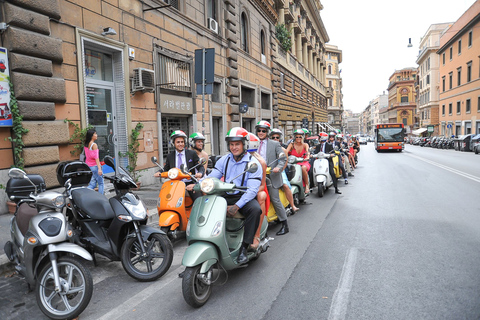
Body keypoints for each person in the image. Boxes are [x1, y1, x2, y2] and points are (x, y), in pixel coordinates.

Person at [207, 127, 263, 264]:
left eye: (237, 144)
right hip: (226, 195)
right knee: (205, 204)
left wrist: (237, 206)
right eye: (231, 144)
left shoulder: (253, 164)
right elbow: (213, 176)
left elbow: (252, 190)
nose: (234, 147)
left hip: (243, 197)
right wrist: (201, 182)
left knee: (255, 210)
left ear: (244, 144)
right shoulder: (224, 160)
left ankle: (244, 247)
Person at [255, 121, 289, 236]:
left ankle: (285, 224)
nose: (260, 132)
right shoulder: (253, 143)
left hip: (271, 176)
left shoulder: (274, 144)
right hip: (256, 176)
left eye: (263, 130)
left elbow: (283, 158)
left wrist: (277, 168)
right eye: (259, 130)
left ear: (267, 132)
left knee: (275, 199)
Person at [155, 130, 205, 201]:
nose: (180, 144)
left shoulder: (192, 153)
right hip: (175, 183)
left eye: (182, 142)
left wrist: (200, 173)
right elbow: (166, 168)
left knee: (199, 200)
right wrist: (159, 172)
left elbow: (200, 166)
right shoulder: (170, 156)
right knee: (166, 199)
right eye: (178, 142)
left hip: (189, 182)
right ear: (173, 143)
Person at [246, 132, 268, 250]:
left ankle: (257, 234)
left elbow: (262, 184)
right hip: (239, 190)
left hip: (255, 190)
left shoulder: (260, 162)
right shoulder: (233, 158)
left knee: (261, 196)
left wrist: (249, 192)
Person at [270, 129, 299, 213]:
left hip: (279, 171)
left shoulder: (283, 150)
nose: (275, 139)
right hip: (268, 171)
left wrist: (279, 170)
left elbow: (285, 162)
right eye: (273, 137)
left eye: (277, 137)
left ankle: (292, 205)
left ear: (279, 139)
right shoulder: (267, 149)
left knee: (285, 185)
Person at [286, 129, 311, 195]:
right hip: (294, 163)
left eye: (300, 137)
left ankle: (307, 185)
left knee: (303, 168)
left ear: (302, 137)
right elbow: (286, 152)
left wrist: (308, 156)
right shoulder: (291, 145)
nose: (298, 138)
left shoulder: (305, 145)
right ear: (294, 137)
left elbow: (308, 152)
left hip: (304, 162)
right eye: (297, 137)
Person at [84, 129, 105, 194]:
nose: (96, 135)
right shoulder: (94, 145)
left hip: (89, 166)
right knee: (101, 183)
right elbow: (96, 158)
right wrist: (99, 169)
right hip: (95, 166)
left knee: (92, 184)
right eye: (95, 134)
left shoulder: (86, 144)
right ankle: (101, 198)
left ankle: (85, 194)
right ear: (91, 136)